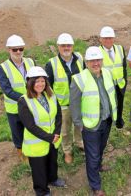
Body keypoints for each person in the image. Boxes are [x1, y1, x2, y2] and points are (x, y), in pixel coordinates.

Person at [70, 46, 117, 196]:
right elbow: (74, 104)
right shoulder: (79, 79)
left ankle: (99, 165)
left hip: (106, 120)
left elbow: (112, 94)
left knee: (101, 148)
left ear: (102, 60)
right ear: (86, 62)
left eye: (98, 60)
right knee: (93, 155)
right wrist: (79, 124)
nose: (96, 63)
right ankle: (95, 186)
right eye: (92, 61)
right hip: (90, 125)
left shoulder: (108, 73)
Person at [18, 66, 66, 196]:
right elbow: (30, 126)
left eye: (43, 81)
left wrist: (56, 132)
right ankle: (42, 191)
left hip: (53, 139)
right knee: (39, 170)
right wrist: (49, 137)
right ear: (30, 82)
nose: (40, 84)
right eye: (37, 81)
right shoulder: (24, 101)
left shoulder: (50, 95)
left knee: (52, 162)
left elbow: (58, 115)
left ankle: (53, 179)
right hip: (37, 143)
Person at [45, 33, 85, 164]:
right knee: (65, 131)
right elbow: (47, 86)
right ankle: (67, 151)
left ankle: (79, 142)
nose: (66, 48)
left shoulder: (79, 58)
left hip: (79, 102)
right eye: (63, 46)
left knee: (79, 125)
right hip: (63, 106)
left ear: (72, 46)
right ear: (58, 47)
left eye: (68, 45)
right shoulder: (52, 64)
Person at [0, 34, 35, 161]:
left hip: (31, 105)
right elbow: (7, 90)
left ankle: (33, 151)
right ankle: (21, 152)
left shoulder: (31, 62)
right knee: (17, 131)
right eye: (15, 49)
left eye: (21, 49)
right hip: (15, 107)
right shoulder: (3, 67)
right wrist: (26, 97)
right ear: (9, 50)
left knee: (30, 128)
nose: (18, 52)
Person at [99, 26, 127, 129]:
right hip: (107, 85)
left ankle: (119, 121)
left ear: (113, 38)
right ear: (100, 39)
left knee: (120, 104)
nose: (108, 40)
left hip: (120, 84)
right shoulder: (98, 51)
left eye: (110, 38)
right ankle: (109, 122)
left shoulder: (120, 49)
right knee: (108, 104)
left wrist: (125, 80)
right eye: (105, 38)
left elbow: (123, 66)